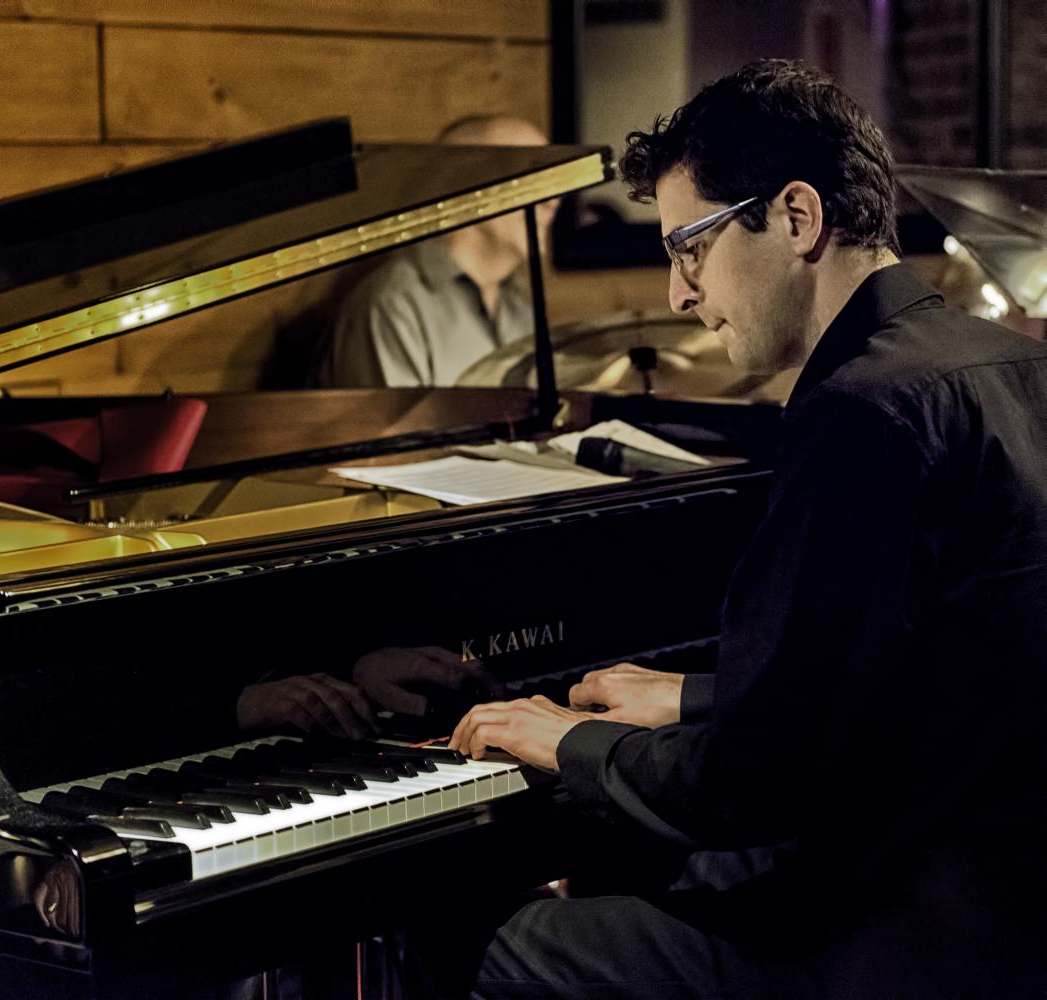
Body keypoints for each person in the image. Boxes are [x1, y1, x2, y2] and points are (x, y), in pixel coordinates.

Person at [448, 59, 1046, 999]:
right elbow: (915, 678)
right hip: (1008, 899)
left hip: (902, 940)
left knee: (506, 944)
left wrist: (563, 738)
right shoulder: (1009, 367)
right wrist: (697, 698)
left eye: (689, 246)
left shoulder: (864, 414)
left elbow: (754, 784)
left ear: (797, 218)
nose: (679, 293)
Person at [313, 115, 555, 387]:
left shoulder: (519, 307)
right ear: (463, 182)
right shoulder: (393, 305)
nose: (551, 201)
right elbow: (402, 430)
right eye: (530, 176)